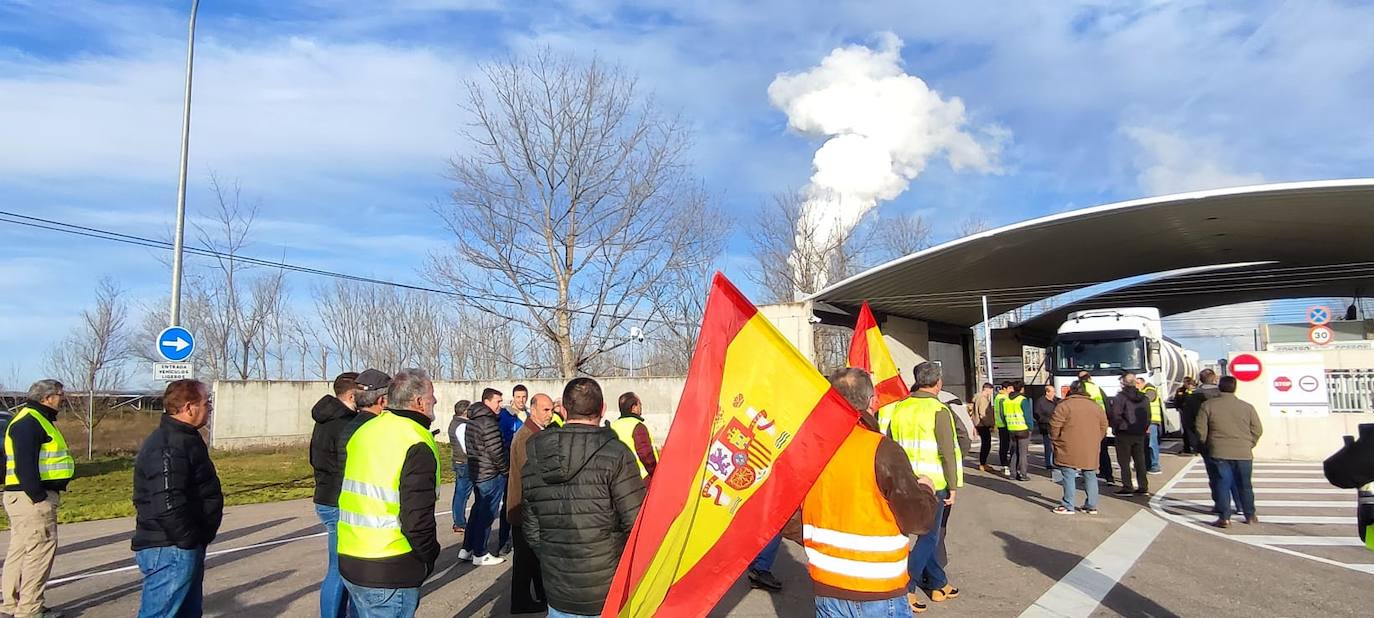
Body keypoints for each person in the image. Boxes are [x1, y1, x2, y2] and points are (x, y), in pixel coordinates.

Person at [783, 368, 939, 618]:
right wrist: (926, 489)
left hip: (827, 587)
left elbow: (783, 514)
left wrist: (820, 541)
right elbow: (919, 520)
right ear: (872, 401)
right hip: (879, 590)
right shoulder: (881, 449)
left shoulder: (810, 449)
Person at [521, 378, 645, 618]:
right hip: (606, 588)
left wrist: (554, 558)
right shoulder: (617, 455)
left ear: (564, 410)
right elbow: (638, 525)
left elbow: (532, 528)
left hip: (560, 586)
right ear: (603, 410)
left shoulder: (536, 457)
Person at [338, 368, 441, 618]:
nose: (435, 401)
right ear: (418, 402)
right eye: (432, 395)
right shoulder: (414, 440)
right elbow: (417, 519)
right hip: (389, 567)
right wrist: (428, 558)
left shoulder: (365, 430)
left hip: (352, 557)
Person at [132, 379, 223, 618]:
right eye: (207, 403)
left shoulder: (186, 438)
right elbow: (167, 501)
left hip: (184, 544)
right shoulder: (168, 445)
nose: (209, 409)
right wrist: (187, 540)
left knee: (187, 612)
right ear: (189, 407)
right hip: (170, 547)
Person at [886, 362, 963, 612]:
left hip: (905, 481)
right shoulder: (939, 410)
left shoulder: (900, 408)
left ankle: (939, 581)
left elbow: (890, 444)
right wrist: (953, 486)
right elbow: (947, 451)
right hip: (934, 483)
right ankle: (906, 587)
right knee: (929, 536)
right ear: (938, 383)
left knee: (921, 536)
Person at [2, 380, 74, 618]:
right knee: (39, 552)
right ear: (46, 397)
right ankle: (30, 609)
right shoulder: (30, 421)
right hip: (31, 498)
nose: (62, 399)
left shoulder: (32, 418)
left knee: (21, 550)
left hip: (22, 496)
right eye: (60, 395)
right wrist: (39, 496)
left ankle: (12, 604)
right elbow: (25, 464)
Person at [309, 372, 359, 618]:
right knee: (340, 568)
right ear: (351, 395)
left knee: (339, 566)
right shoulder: (343, 423)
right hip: (337, 499)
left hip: (326, 495)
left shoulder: (326, 419)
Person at [507, 394, 554, 614]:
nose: (550, 414)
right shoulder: (528, 436)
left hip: (526, 509)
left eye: (551, 409)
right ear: (533, 410)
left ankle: (534, 598)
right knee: (526, 560)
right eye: (545, 410)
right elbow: (531, 477)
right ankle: (521, 602)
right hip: (525, 509)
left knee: (531, 560)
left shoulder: (533, 433)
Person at [1197, 376, 1264, 528]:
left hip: (1219, 451)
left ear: (1219, 387)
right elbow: (1257, 429)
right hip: (1243, 452)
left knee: (1222, 483)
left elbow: (1201, 431)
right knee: (1245, 485)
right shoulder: (1247, 407)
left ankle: (1224, 517)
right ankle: (1250, 515)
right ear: (1235, 388)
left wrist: (1209, 444)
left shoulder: (1208, 406)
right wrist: (1249, 443)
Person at [460, 388, 508, 566]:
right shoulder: (488, 422)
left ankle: (467, 548)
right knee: (487, 514)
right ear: (487, 402)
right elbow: (496, 452)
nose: (500, 405)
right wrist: (505, 470)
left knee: (477, 511)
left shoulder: (472, 421)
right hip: (490, 474)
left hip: (478, 472)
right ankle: (481, 552)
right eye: (498, 401)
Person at [1049, 380, 1109, 515]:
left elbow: (1054, 426)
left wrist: (1056, 439)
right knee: (1090, 474)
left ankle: (1068, 505)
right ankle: (1091, 505)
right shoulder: (1095, 406)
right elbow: (1104, 426)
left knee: (1068, 474)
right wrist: (1096, 439)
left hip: (1067, 444)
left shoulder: (1064, 405)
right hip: (1090, 446)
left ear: (1071, 390)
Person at [1188, 370, 1242, 516]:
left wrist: (1198, 443)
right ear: (1214, 379)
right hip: (1233, 441)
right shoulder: (1225, 395)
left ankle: (1220, 505)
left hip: (1208, 443)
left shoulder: (1193, 398)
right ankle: (1240, 505)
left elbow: (1190, 423)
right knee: (1235, 476)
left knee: (1216, 476)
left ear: (1200, 379)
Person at [496, 385, 529, 556]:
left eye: (524, 397)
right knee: (509, 504)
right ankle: (504, 541)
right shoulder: (505, 416)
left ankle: (525, 540)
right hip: (510, 465)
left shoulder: (529, 416)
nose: (521, 400)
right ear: (513, 398)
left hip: (528, 466)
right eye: (518, 397)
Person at [1107, 373, 1151, 496]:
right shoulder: (1144, 397)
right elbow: (1148, 416)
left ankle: (1127, 486)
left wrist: (1116, 428)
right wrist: (1144, 428)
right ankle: (1143, 486)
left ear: (1123, 383)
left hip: (1124, 433)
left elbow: (1115, 415)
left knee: (1124, 461)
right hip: (1139, 432)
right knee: (1140, 460)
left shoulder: (1119, 398)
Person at [609, 392, 659, 483]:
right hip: (641, 479)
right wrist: (656, 474)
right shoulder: (637, 426)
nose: (641, 407)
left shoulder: (613, 426)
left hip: (619, 480)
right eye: (639, 404)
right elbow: (646, 456)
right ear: (634, 408)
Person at [1078, 371, 1114, 485]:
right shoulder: (1097, 388)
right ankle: (1108, 476)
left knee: (1087, 451)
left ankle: (1088, 476)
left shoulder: (1080, 388)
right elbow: (1107, 405)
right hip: (1099, 423)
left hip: (1086, 424)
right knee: (1103, 450)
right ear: (1090, 378)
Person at [447, 399, 472, 536]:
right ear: (465, 411)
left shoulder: (456, 423)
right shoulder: (462, 426)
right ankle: (460, 522)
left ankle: (459, 521)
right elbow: (466, 448)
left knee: (460, 493)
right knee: (462, 494)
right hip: (464, 463)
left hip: (460, 462)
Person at [1136, 377, 1164, 474]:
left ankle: (1155, 465)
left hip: (1152, 420)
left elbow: (1147, 399)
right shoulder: (1145, 390)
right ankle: (1149, 464)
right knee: (1146, 444)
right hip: (1147, 420)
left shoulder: (1150, 390)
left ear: (1143, 383)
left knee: (1152, 444)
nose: (1136, 385)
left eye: (1138, 383)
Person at [970, 383, 996, 472]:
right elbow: (983, 413)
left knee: (985, 443)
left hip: (978, 423)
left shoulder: (977, 397)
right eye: (991, 390)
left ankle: (983, 463)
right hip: (983, 424)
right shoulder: (983, 399)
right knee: (986, 444)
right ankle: (983, 463)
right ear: (987, 389)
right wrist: (990, 424)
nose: (991, 392)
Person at [1034, 385, 1058, 475]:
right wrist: (1047, 420)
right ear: (1047, 392)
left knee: (1056, 445)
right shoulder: (1040, 402)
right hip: (1046, 426)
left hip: (1056, 426)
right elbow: (1037, 414)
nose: (1054, 393)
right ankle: (1049, 463)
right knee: (1048, 445)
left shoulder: (1056, 400)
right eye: (1053, 392)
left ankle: (1055, 461)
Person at [1172, 377, 1197, 454]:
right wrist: (1177, 407)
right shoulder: (1180, 390)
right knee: (1185, 431)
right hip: (1184, 413)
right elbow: (1177, 400)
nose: (1184, 384)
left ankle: (1195, 448)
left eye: (1186, 383)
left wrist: (1189, 391)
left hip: (1194, 414)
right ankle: (1186, 448)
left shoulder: (1195, 390)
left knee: (1194, 431)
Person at [994, 382, 1014, 476]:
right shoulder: (1002, 398)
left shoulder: (999, 397)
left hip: (1001, 424)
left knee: (1004, 444)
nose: (1012, 390)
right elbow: (1002, 413)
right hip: (1004, 425)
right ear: (1006, 388)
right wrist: (1007, 423)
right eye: (1010, 388)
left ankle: (1004, 463)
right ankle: (1004, 464)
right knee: (1005, 445)